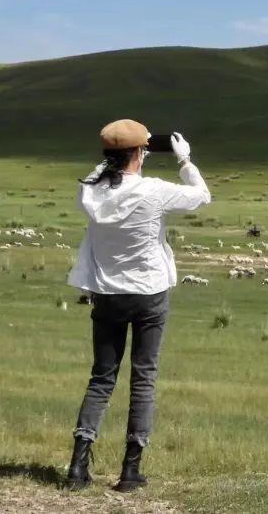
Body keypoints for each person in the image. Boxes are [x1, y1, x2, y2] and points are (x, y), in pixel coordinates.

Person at [64, 119, 211, 492]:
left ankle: (78, 466)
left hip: (107, 293)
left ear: (108, 157)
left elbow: (97, 176)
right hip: (148, 292)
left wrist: (111, 159)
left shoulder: (90, 194)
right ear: (140, 153)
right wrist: (184, 159)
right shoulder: (155, 191)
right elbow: (201, 196)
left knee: (101, 378)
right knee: (143, 377)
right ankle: (130, 470)